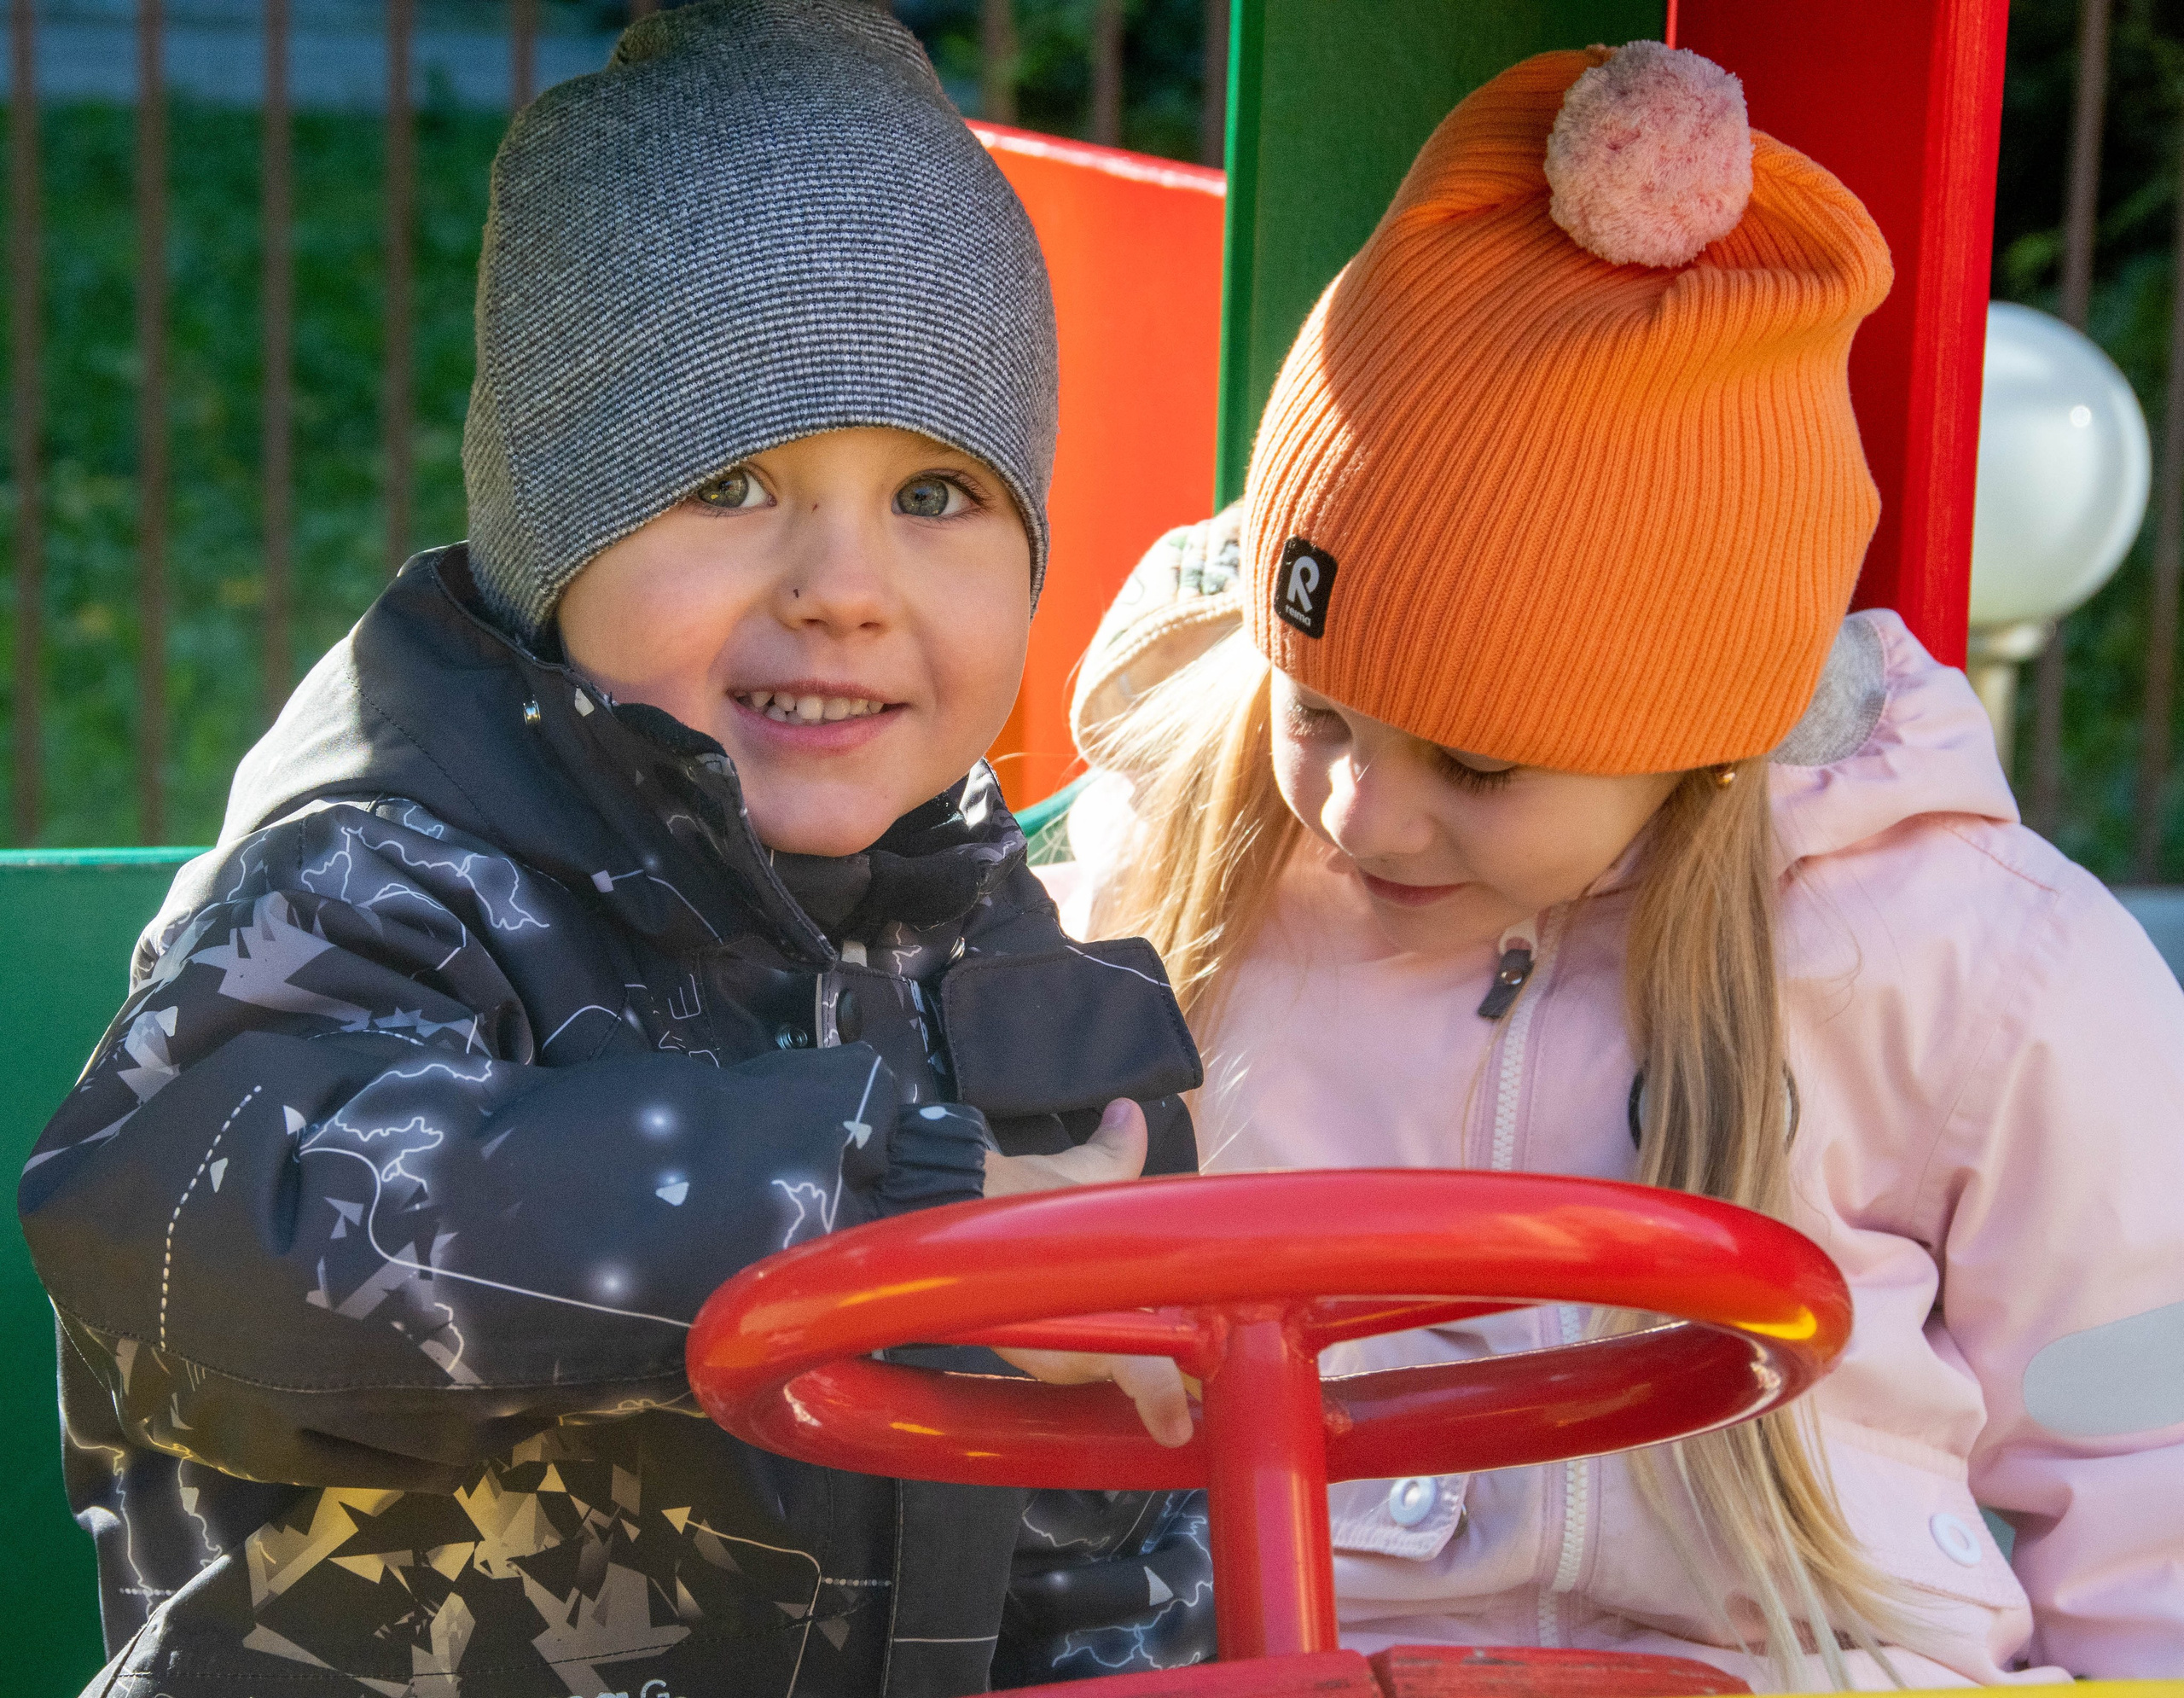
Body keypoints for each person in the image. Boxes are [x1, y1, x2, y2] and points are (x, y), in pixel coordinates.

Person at [20, 4, 1208, 1692]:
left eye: (936, 495)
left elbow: (1106, 1517)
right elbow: (214, 1235)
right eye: (731, 482)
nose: (843, 585)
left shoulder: (1002, 956)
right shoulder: (388, 871)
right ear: (552, 526)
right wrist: (872, 1208)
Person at [1044, 42, 2184, 1693]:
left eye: (1480, 764)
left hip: (1806, 1665)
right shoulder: (1180, 877)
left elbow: (2145, 1428)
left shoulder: (1960, 961)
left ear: (1701, 731)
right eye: (1324, 709)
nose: (1361, 813)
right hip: (1313, 1652)